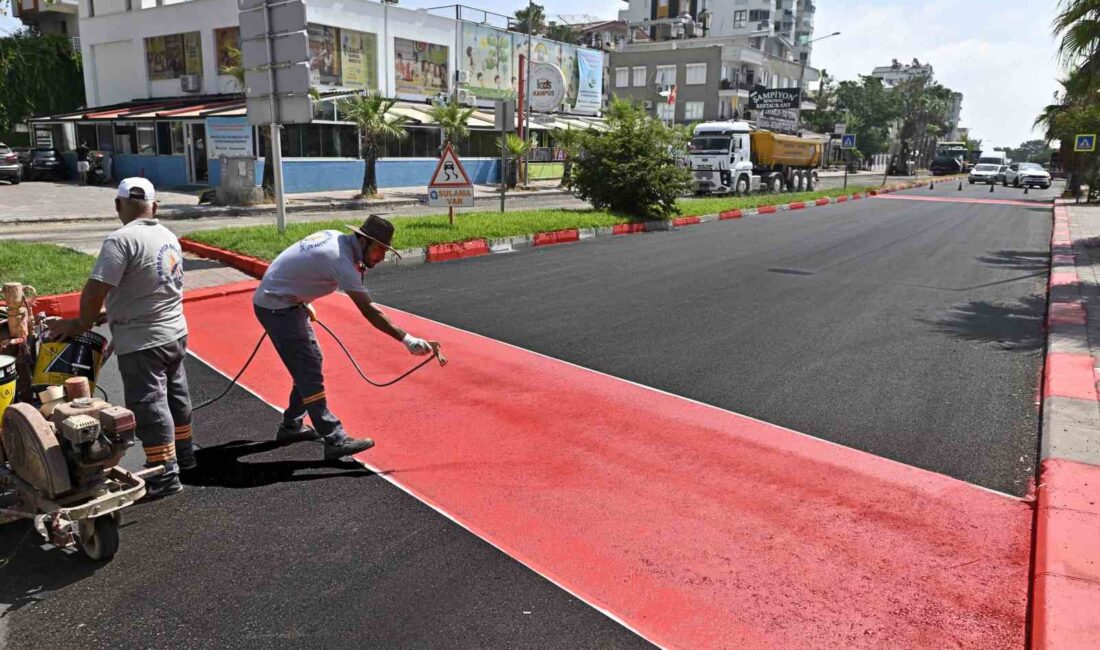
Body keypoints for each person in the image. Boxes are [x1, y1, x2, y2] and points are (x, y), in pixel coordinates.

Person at [48, 178, 193, 498]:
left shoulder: (121, 240)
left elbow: (95, 289)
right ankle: (184, 453)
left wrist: (81, 323)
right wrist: (111, 313)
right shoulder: (167, 236)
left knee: (150, 403)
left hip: (144, 341)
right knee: (176, 395)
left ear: (118, 205)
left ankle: (164, 473)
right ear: (154, 206)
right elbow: (149, 284)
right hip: (175, 333)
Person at [253, 215, 435, 461]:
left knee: (311, 364)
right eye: (380, 249)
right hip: (277, 306)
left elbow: (297, 264)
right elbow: (370, 310)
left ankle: (291, 427)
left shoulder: (336, 239)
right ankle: (335, 439)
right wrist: (407, 339)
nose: (381, 258)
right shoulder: (340, 259)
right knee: (308, 372)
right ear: (363, 241)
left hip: (285, 301)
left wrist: (299, 298)